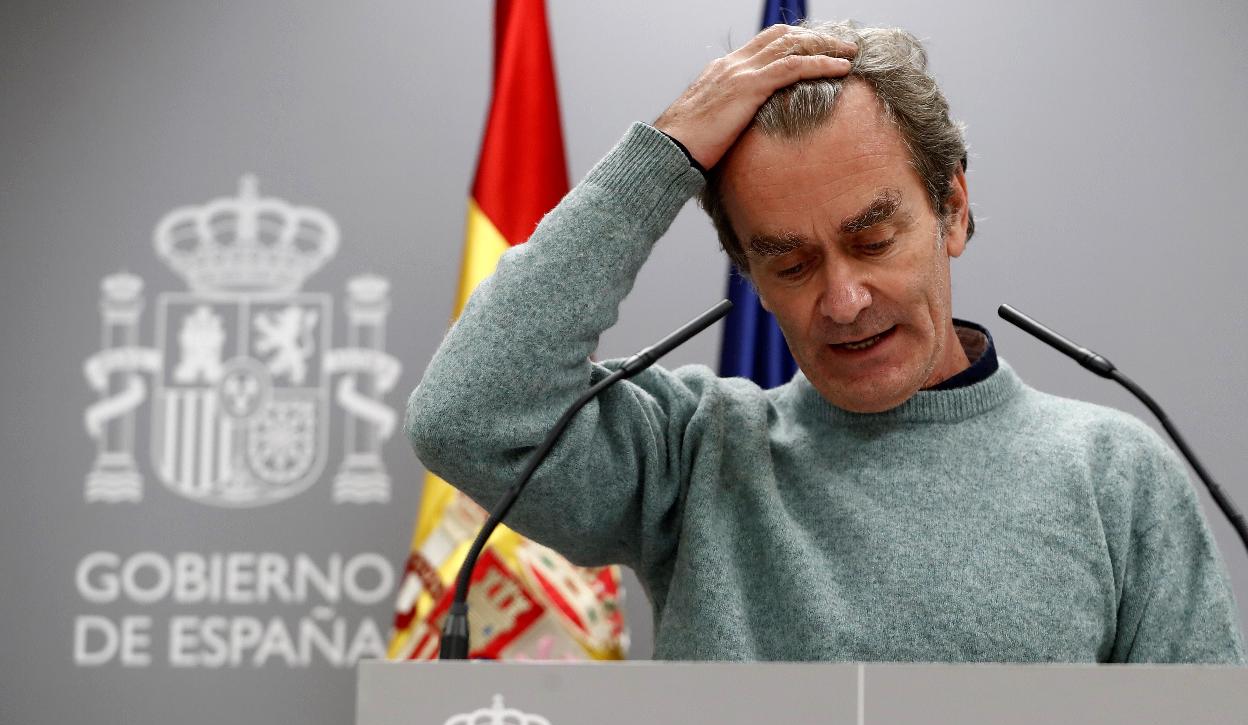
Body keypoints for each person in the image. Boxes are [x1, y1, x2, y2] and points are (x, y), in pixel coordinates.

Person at [406, 21, 1244, 663]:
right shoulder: (695, 452)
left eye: (872, 241)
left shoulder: (1116, 475)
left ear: (953, 210)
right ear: (749, 274)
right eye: (791, 264)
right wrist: (661, 158)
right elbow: (468, 416)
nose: (843, 302)